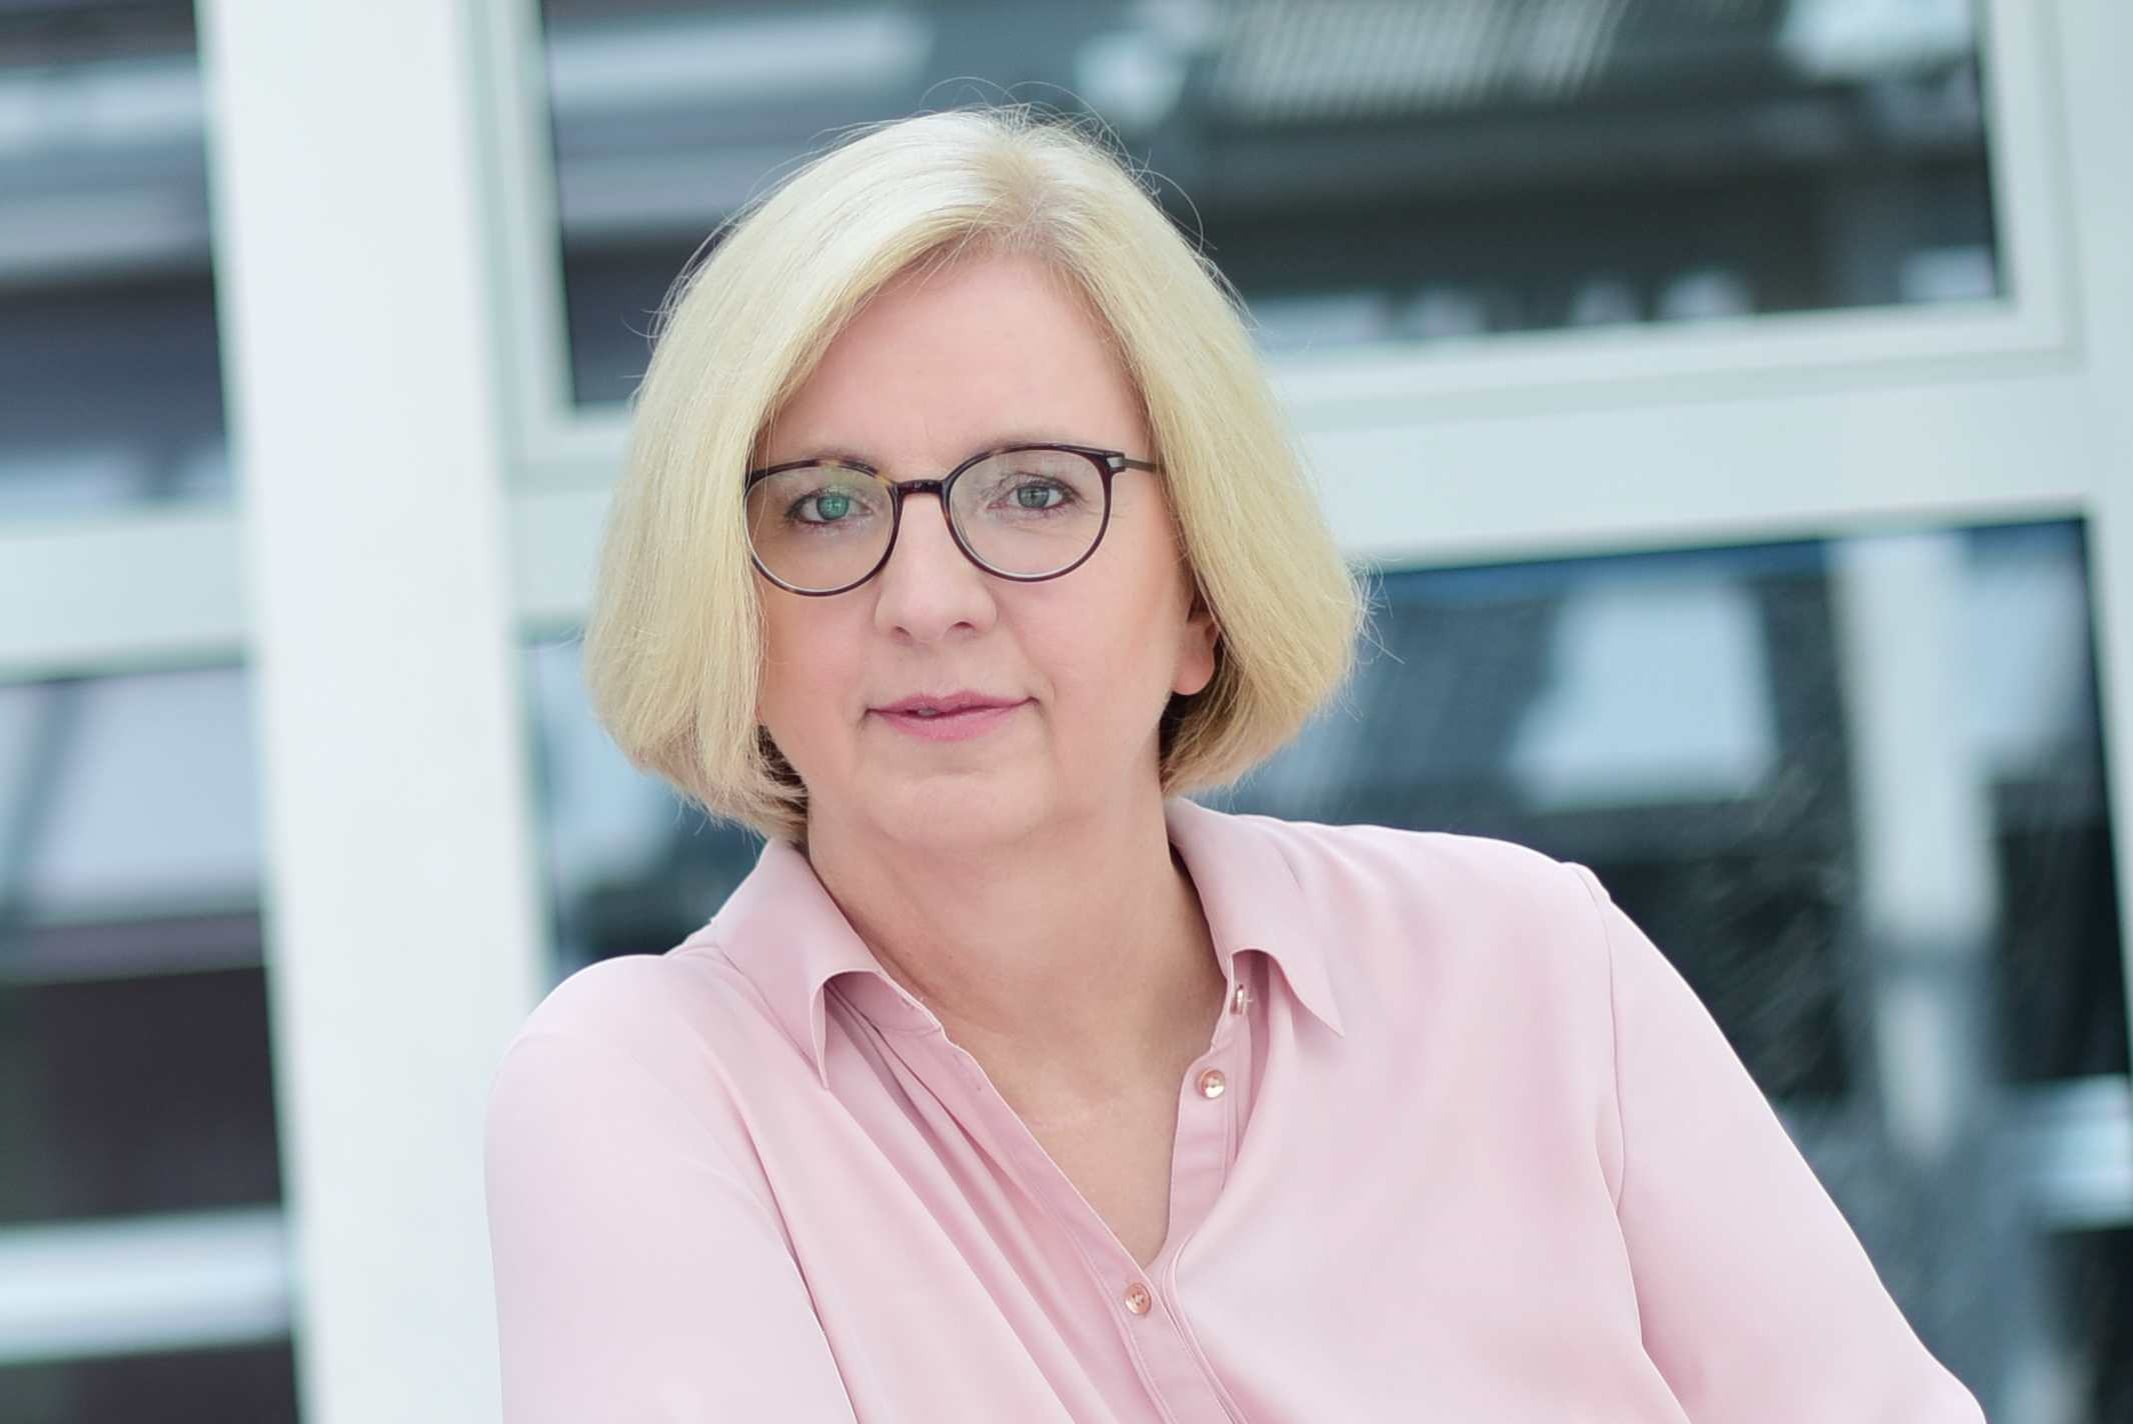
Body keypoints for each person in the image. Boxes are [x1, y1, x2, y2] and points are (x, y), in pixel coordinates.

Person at [481, 103, 1986, 1422]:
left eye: (1034, 492)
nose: (927, 598)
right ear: (727, 607)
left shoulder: (1530, 970)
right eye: (822, 506)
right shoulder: (651, 1086)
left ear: (1200, 593)